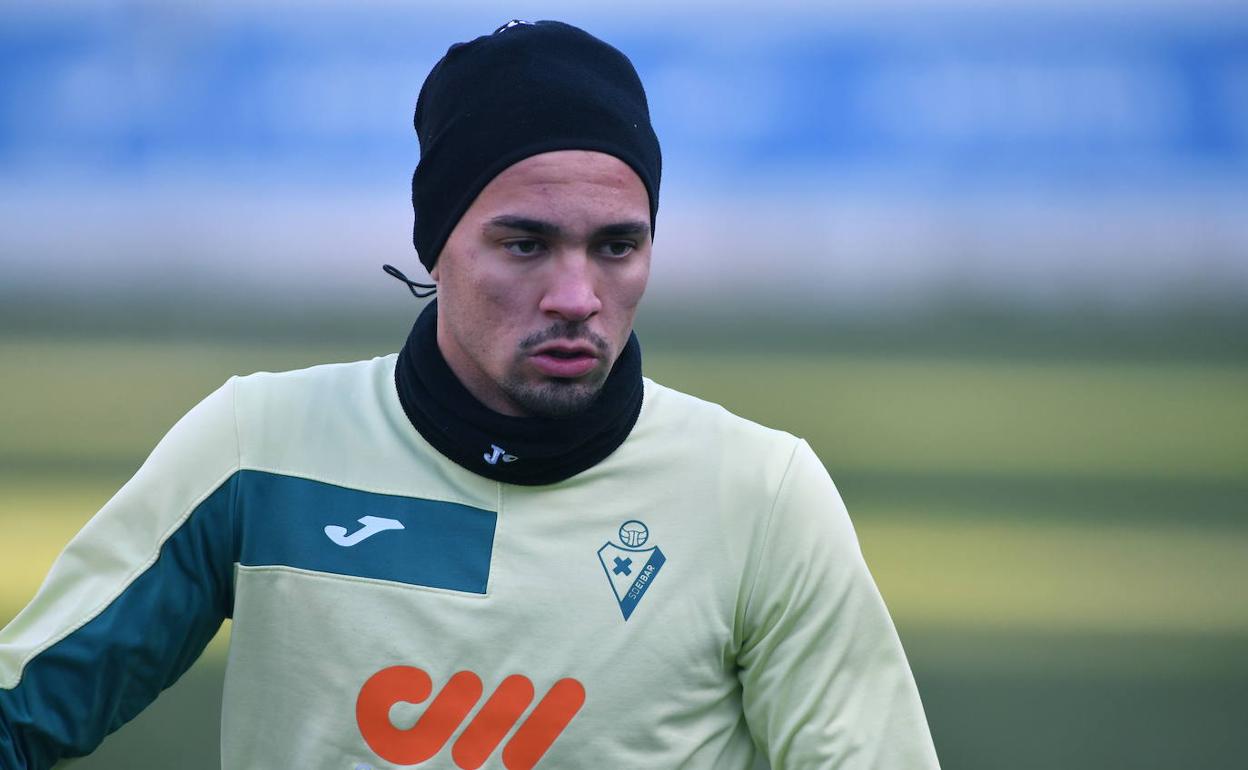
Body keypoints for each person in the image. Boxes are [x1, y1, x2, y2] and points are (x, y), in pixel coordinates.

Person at [0, 20, 939, 770]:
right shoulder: (260, 448)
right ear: (436, 243)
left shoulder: (760, 493)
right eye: (526, 244)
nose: (576, 297)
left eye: (617, 246)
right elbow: (22, 714)